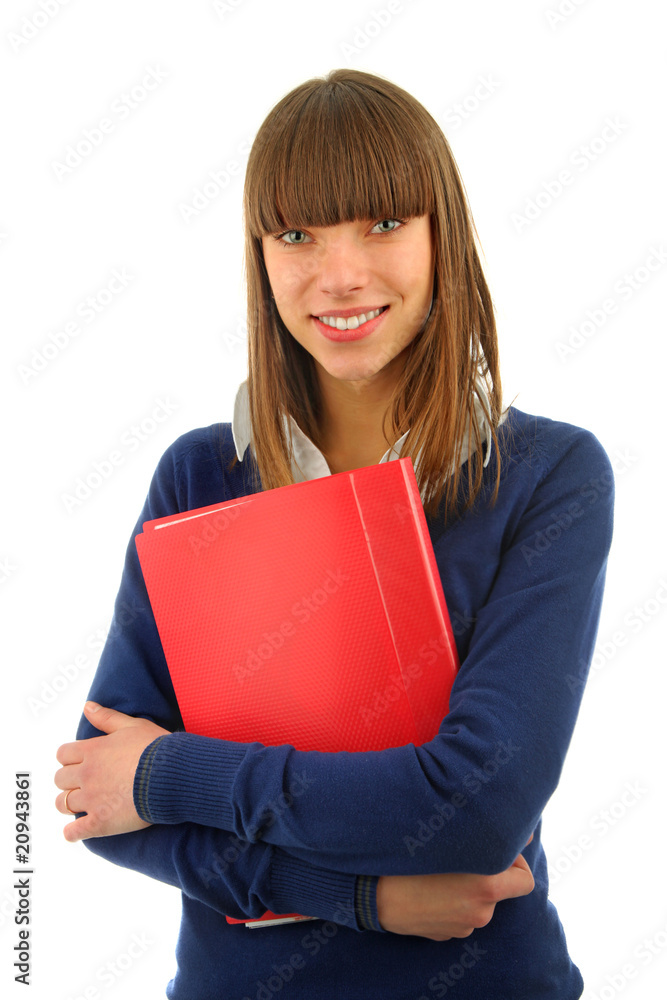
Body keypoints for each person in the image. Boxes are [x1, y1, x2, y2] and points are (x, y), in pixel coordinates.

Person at [54, 68, 614, 999]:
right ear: (260, 253)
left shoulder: (548, 477)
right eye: (296, 233)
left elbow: (474, 807)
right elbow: (99, 796)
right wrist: (363, 898)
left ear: (443, 234)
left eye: (383, 223)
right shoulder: (197, 477)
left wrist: (170, 773)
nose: (339, 273)